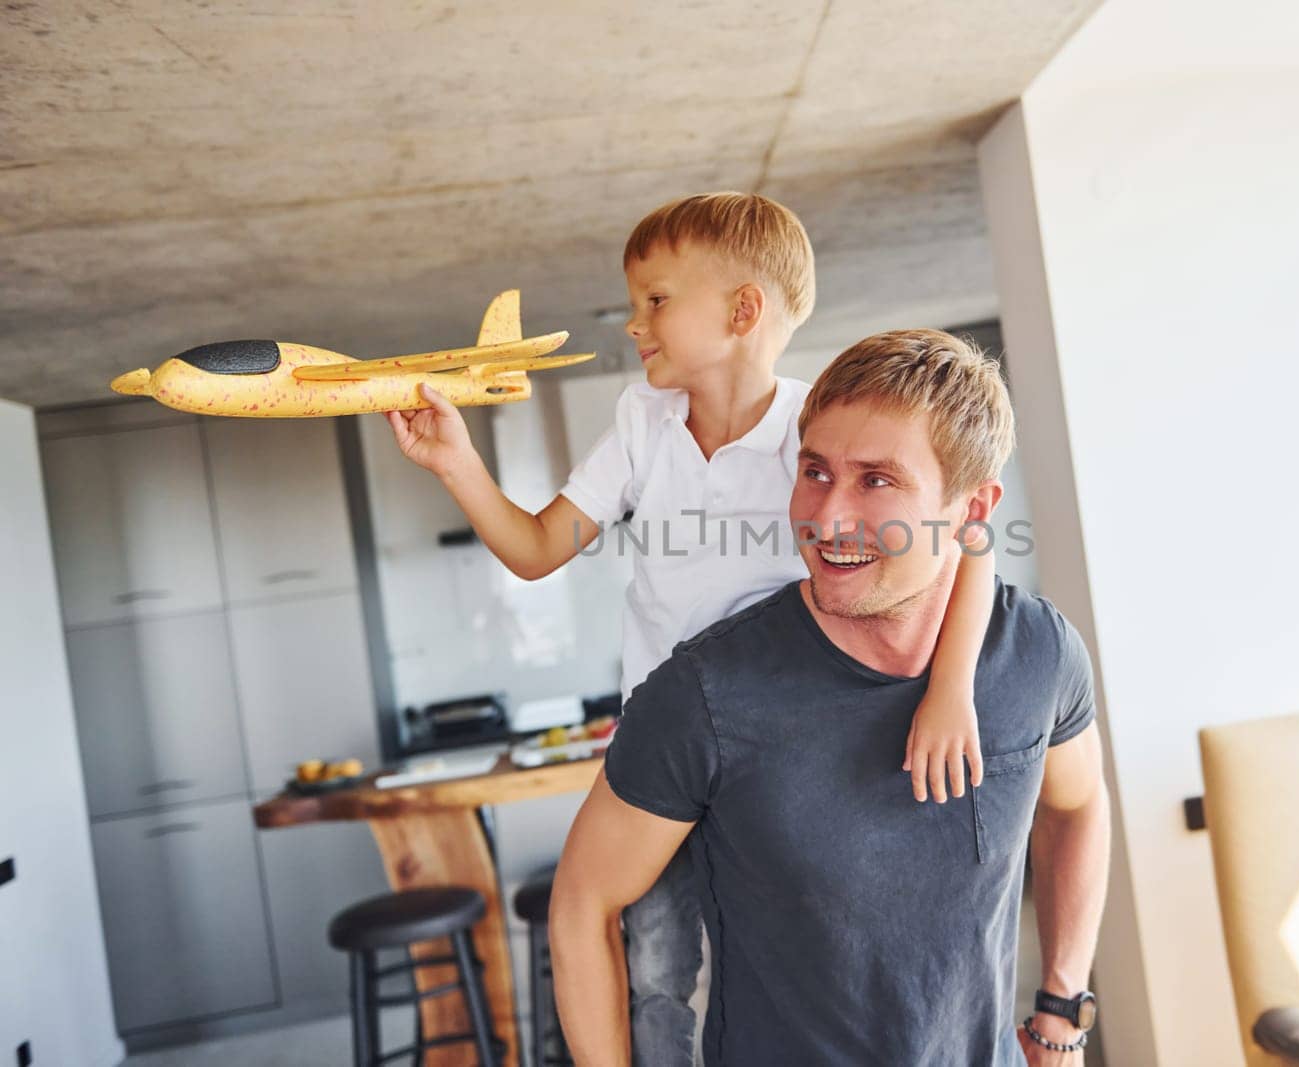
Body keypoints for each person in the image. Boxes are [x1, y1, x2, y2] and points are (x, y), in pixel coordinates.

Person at [384, 194, 998, 1065]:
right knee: (652, 973)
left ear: (743, 311)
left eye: (656, 300)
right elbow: (533, 549)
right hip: (663, 756)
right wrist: (456, 460)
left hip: (782, 749)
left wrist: (952, 686)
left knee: (788, 968)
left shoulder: (814, 430)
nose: (635, 324)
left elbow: (971, 548)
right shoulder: (643, 423)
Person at [549, 329, 1112, 1066]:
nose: (827, 517)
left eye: (876, 481)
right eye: (814, 471)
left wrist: (1061, 1014)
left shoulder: (1037, 654)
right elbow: (582, 902)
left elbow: (1079, 806)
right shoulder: (707, 695)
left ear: (973, 511)